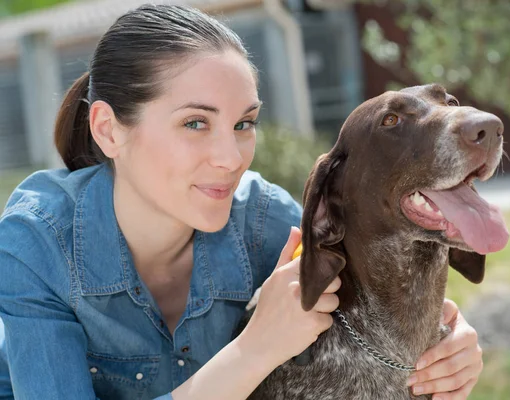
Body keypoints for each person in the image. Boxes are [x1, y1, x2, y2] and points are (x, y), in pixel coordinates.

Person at [0, 4, 483, 400]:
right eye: (195, 123)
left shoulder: (265, 222)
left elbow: (378, 298)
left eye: (243, 124)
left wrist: (451, 342)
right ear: (108, 129)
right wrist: (253, 351)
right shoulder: (37, 243)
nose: (231, 159)